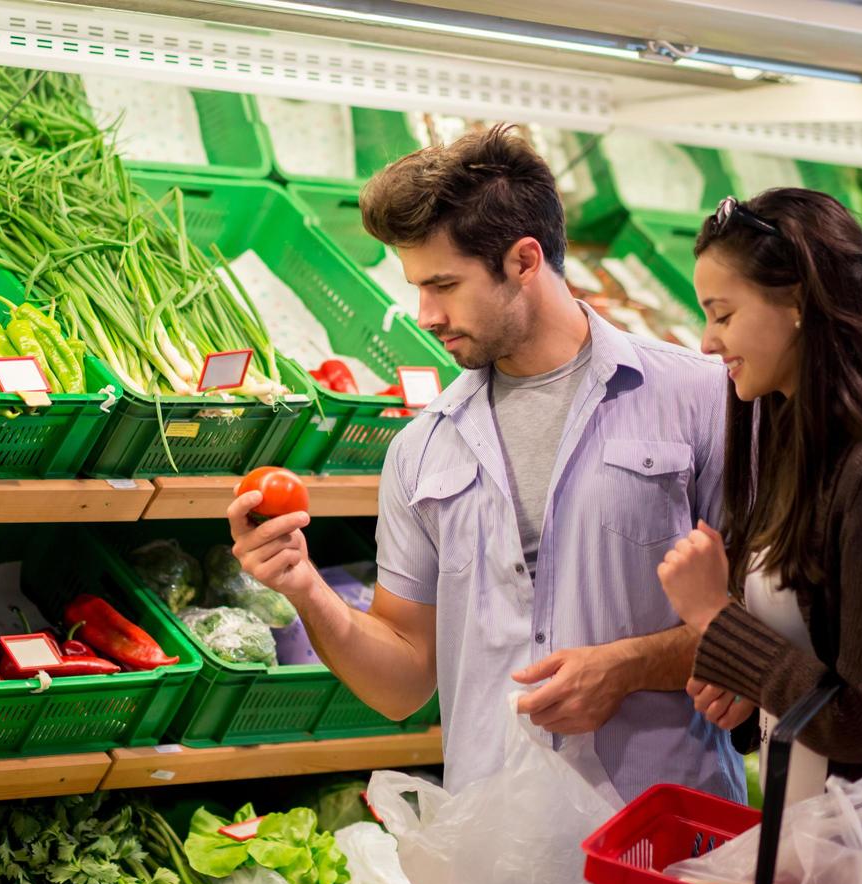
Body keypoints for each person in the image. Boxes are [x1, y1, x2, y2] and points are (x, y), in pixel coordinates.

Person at [228, 125, 744, 811]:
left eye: (444, 284)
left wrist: (628, 667)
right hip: (497, 843)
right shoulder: (423, 448)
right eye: (417, 286)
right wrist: (304, 588)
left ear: (524, 261)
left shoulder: (702, 397)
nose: (426, 314)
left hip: (666, 835)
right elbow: (402, 684)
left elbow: (770, 628)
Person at [657, 189, 862, 875]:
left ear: (798, 303)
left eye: (722, 314)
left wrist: (716, 618)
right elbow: (804, 671)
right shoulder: (785, 454)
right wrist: (742, 695)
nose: (708, 340)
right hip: (813, 835)